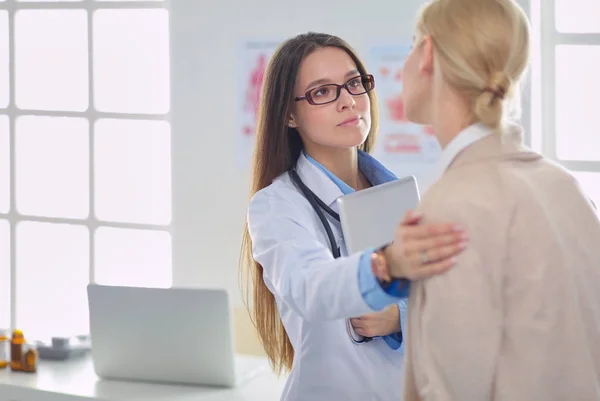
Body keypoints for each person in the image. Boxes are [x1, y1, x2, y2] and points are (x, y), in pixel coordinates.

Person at [371, 0, 600, 399]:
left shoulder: (452, 207)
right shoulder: (563, 185)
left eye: (412, 44)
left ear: (426, 54)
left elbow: (453, 388)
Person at [240, 32, 468, 401]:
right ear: (290, 115)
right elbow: (308, 285)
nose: (348, 101)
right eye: (322, 92)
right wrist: (384, 269)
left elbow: (450, 306)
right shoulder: (276, 206)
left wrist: (401, 317)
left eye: (353, 83)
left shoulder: (403, 196)